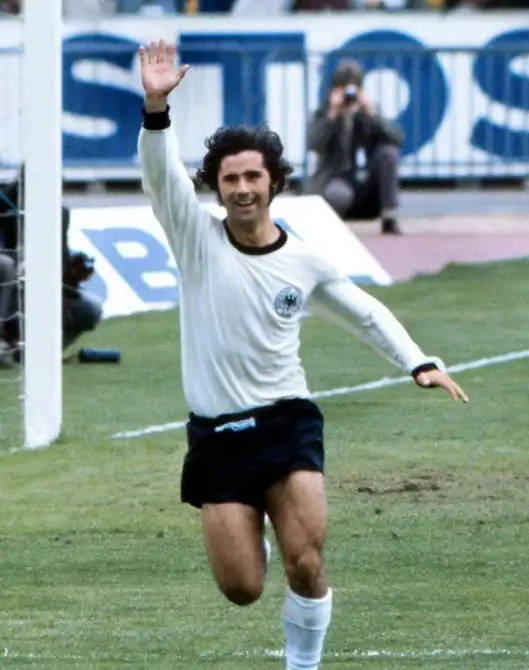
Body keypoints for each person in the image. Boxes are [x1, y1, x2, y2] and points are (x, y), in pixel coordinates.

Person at [138, 39, 468, 670]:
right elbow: (160, 178)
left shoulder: (305, 260)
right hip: (217, 436)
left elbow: (364, 312)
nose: (242, 189)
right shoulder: (194, 238)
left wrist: (418, 362)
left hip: (288, 424)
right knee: (242, 588)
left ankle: (303, 664)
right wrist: (156, 109)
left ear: (274, 183)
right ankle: (252, 528)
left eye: (252, 177)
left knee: (307, 561)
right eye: (230, 179)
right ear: (215, 187)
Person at [0, 173, 102, 360]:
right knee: (8, 267)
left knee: (92, 308)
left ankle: (43, 352)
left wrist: (72, 272)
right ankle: (5, 340)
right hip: (12, 285)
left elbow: (61, 258)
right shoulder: (10, 207)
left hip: (41, 286)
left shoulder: (61, 214)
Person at [307, 59, 404, 234]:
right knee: (337, 195)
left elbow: (396, 139)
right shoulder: (323, 113)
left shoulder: (367, 113)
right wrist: (332, 115)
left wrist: (371, 113)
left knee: (388, 152)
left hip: (365, 180)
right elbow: (313, 144)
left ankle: (389, 215)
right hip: (336, 178)